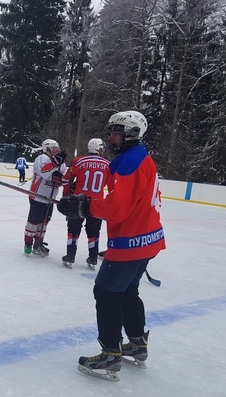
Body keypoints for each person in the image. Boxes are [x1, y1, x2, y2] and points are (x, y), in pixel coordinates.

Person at [57, 110, 165, 381]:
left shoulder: (128, 161)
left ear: (131, 133)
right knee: (128, 291)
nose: (110, 136)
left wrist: (85, 205)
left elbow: (118, 208)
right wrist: (85, 201)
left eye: (116, 131)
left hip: (131, 242)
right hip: (148, 239)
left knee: (105, 292)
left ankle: (110, 355)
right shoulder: (141, 157)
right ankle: (137, 345)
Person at [61, 138, 109, 269]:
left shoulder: (78, 161)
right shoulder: (108, 164)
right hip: (97, 203)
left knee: (73, 229)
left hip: (78, 202)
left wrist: (67, 196)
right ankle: (93, 258)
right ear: (98, 149)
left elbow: (66, 180)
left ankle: (70, 255)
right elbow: (107, 184)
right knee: (94, 232)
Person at [24, 139, 67, 256]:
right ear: (47, 148)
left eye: (57, 148)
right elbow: (44, 172)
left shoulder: (61, 162)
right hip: (38, 196)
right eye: (54, 147)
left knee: (44, 223)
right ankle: (28, 243)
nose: (57, 150)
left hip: (50, 199)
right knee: (34, 221)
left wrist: (60, 179)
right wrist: (55, 163)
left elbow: (63, 177)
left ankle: (38, 243)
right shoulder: (42, 158)